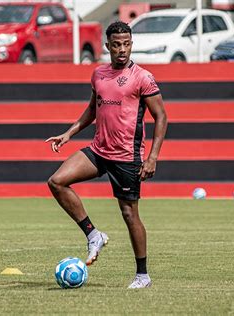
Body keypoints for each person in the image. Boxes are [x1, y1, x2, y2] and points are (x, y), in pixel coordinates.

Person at [46, 21, 167, 289]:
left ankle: (142, 275)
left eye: (126, 44)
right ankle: (93, 235)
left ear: (131, 44)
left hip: (127, 157)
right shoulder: (98, 74)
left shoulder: (143, 77)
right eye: (116, 44)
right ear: (108, 46)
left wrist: (153, 157)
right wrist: (69, 133)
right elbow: (93, 109)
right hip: (99, 151)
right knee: (56, 181)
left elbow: (161, 117)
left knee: (129, 214)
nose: (122, 49)